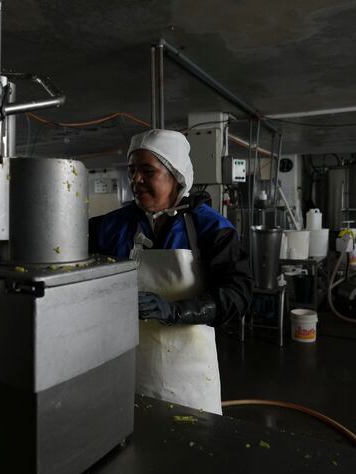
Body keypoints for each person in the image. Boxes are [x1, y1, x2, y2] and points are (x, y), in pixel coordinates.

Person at [89, 129, 252, 414]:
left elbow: (237, 294)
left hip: (189, 377)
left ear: (175, 176)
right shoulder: (111, 226)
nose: (135, 180)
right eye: (131, 170)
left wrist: (176, 311)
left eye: (147, 171)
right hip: (126, 370)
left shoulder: (211, 228)